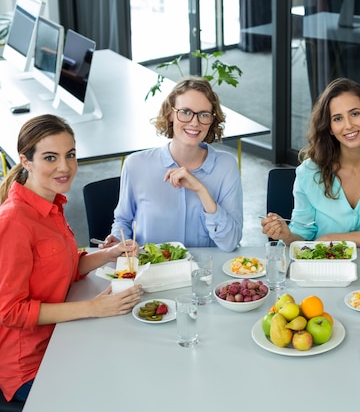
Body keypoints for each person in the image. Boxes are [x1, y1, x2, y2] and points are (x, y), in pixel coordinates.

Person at [0, 115, 143, 403]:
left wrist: (109, 254)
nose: (65, 167)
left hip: (63, 337)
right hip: (31, 365)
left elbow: (59, 267)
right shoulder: (14, 220)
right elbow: (10, 311)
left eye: (71, 155)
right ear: (26, 161)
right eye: (50, 158)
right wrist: (93, 307)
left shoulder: (51, 201)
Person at [261, 78, 360, 248]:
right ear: (330, 128)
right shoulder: (308, 173)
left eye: (355, 114)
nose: (349, 125)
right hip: (323, 269)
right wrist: (286, 235)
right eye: (338, 118)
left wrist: (331, 238)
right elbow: (301, 237)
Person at [103, 76, 243, 252]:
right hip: (150, 273)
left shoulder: (226, 166)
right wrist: (118, 240)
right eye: (185, 112)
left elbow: (230, 243)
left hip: (206, 275)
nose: (194, 122)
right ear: (170, 114)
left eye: (204, 115)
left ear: (212, 120)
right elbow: (123, 221)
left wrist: (201, 190)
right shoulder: (136, 165)